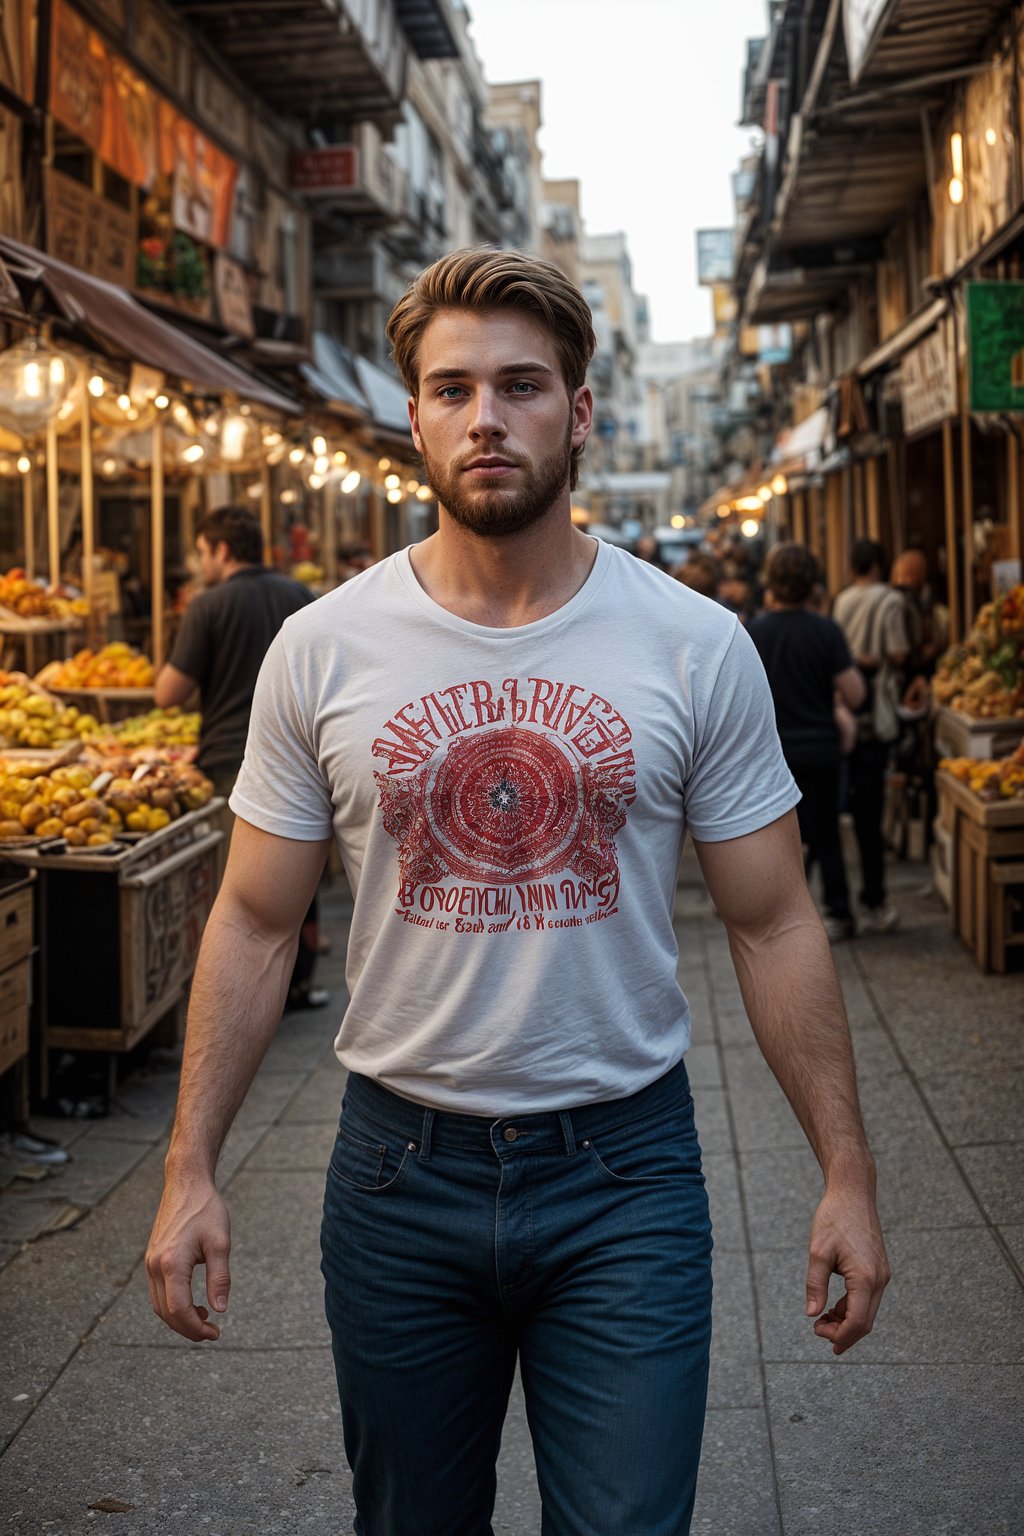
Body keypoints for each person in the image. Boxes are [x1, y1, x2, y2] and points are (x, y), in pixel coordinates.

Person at [146, 250, 889, 1536]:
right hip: (396, 1173)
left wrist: (847, 1172)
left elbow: (772, 920)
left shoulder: (691, 641)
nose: (485, 417)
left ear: (581, 410)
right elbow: (257, 922)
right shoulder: (320, 649)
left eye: (521, 385)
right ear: (416, 418)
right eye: (452, 389)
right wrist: (186, 1168)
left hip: (626, 1175)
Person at [153, 505, 327, 1010]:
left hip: (231, 755)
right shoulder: (298, 595)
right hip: (301, 751)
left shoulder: (208, 605)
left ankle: (236, 992)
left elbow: (169, 693)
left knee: (241, 885)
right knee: (299, 873)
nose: (199, 561)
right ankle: (300, 982)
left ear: (222, 550)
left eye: (202, 551)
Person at [749, 544, 866, 941]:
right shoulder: (825, 630)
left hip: (772, 753)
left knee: (780, 841)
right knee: (827, 834)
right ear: (812, 584)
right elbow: (855, 695)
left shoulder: (755, 633)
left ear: (771, 583)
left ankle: (781, 919)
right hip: (820, 749)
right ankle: (838, 913)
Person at [832, 538, 910, 932]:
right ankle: (875, 896)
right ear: (880, 565)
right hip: (876, 712)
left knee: (850, 807)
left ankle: (845, 900)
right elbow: (897, 653)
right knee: (871, 810)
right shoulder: (891, 600)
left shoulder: (843, 601)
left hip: (845, 713)